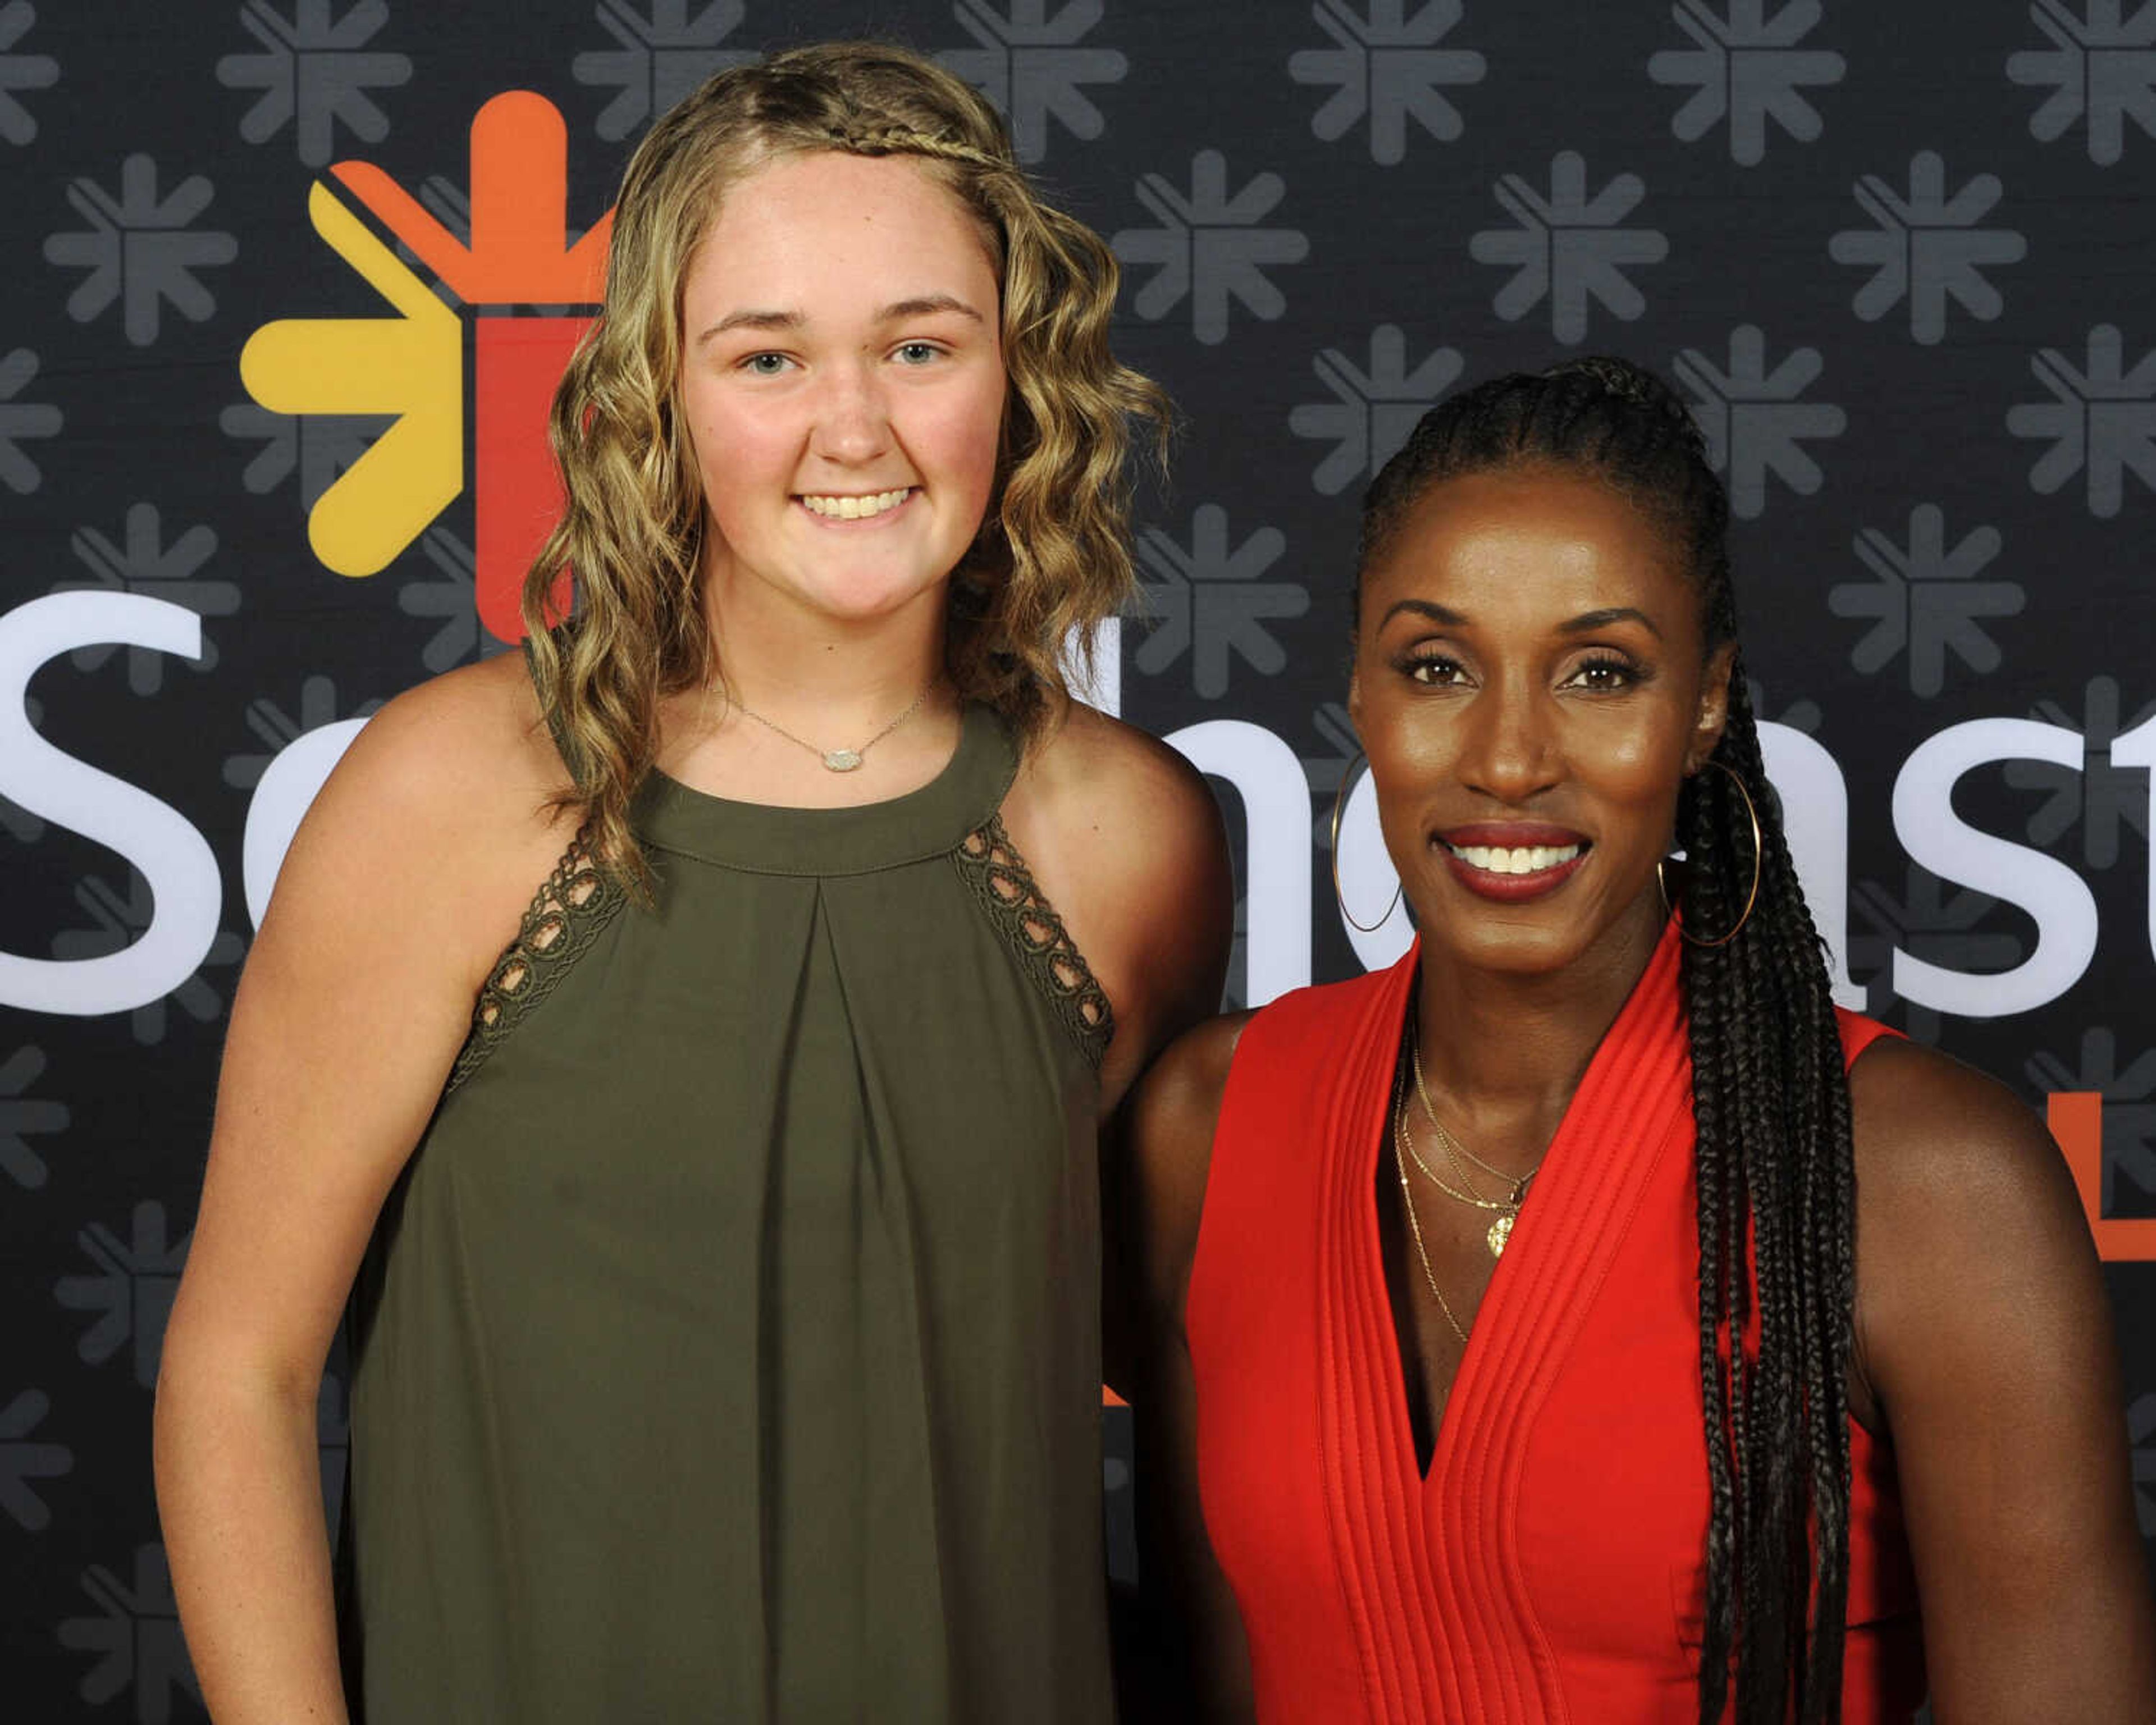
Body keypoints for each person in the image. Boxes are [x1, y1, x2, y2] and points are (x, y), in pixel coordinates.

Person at [156, 42, 1229, 1724]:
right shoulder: (453, 795)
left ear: (1018, 378)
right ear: (660, 390)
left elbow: (1126, 1385)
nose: (852, 426)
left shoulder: (1131, 836)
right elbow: (239, 1369)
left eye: (921, 345)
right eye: (768, 355)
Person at [1122, 358, 2156, 1723]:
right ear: (1361, 696)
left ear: (1706, 706)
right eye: (1437, 667)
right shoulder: (1207, 1121)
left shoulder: (1929, 1183)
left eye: (1599, 673)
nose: (1506, 757)